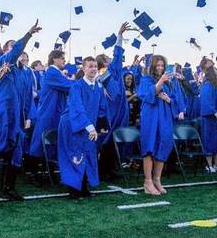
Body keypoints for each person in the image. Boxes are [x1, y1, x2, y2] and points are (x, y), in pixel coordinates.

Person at [0, 20, 41, 204]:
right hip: (2, 115)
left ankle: (9, 188)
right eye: (12, 47)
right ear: (6, 50)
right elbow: (15, 51)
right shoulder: (4, 62)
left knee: (15, 152)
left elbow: (28, 96)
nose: (17, 50)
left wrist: (28, 115)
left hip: (18, 118)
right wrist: (28, 34)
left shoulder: (26, 72)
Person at [58, 57, 109, 199]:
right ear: (84, 69)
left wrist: (102, 124)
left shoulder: (98, 87)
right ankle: (73, 190)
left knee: (88, 154)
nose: (93, 69)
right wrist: (89, 127)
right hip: (72, 124)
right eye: (90, 66)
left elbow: (102, 107)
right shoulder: (77, 86)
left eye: (95, 67)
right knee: (75, 155)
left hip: (88, 125)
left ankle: (84, 188)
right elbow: (77, 108)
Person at [137, 55, 176, 195]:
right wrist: (160, 82)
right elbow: (147, 95)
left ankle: (157, 179)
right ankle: (148, 182)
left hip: (165, 117)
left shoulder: (170, 82)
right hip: (151, 116)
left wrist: (169, 100)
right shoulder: (146, 79)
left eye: (162, 65)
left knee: (163, 144)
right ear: (152, 66)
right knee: (149, 146)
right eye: (157, 65)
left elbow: (177, 101)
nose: (160, 68)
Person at [96, 22, 130, 180]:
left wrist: (120, 36)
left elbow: (117, 55)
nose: (111, 58)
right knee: (109, 141)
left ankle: (112, 168)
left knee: (117, 140)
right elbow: (117, 54)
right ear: (104, 62)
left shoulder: (112, 70)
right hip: (112, 110)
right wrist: (119, 34)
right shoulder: (104, 74)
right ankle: (104, 170)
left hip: (120, 108)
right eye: (107, 58)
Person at [29, 50, 75, 159]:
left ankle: (46, 164)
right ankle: (34, 165)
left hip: (55, 108)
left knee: (51, 138)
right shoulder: (51, 72)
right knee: (44, 137)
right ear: (54, 59)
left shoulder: (56, 72)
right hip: (50, 110)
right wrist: (83, 83)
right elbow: (67, 85)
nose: (64, 60)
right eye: (62, 58)